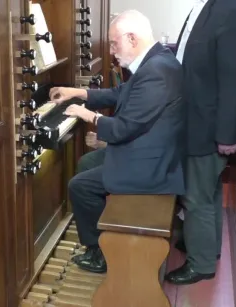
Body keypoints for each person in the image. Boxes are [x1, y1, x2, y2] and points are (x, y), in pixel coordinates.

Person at [49, 9, 186, 273]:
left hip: (153, 168)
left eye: (114, 43)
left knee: (79, 186)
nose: (111, 50)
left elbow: (123, 129)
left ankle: (99, 254)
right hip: (151, 152)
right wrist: (75, 92)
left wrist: (87, 114)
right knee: (88, 161)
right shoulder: (158, 60)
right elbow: (118, 94)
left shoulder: (157, 71)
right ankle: (103, 234)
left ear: (132, 38)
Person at [164, 0, 236, 285]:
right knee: (209, 191)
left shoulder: (233, 8)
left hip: (207, 125)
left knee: (195, 196)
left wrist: (227, 135)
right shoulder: (207, 5)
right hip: (194, 120)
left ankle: (201, 264)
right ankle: (206, 246)